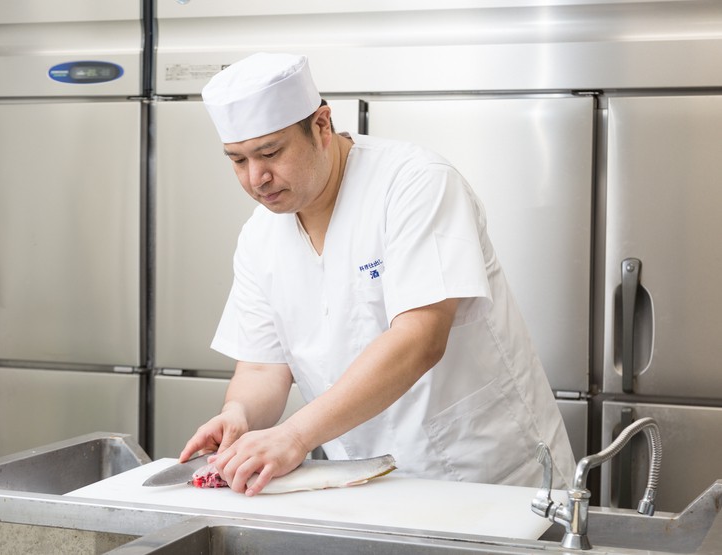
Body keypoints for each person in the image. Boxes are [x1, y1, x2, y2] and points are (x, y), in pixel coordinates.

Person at [180, 52, 576, 496]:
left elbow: (419, 339)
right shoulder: (260, 236)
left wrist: (294, 435)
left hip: (487, 478)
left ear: (322, 126)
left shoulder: (416, 183)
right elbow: (261, 368)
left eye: (270, 153)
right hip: (365, 485)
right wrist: (239, 414)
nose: (257, 178)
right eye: (237, 160)